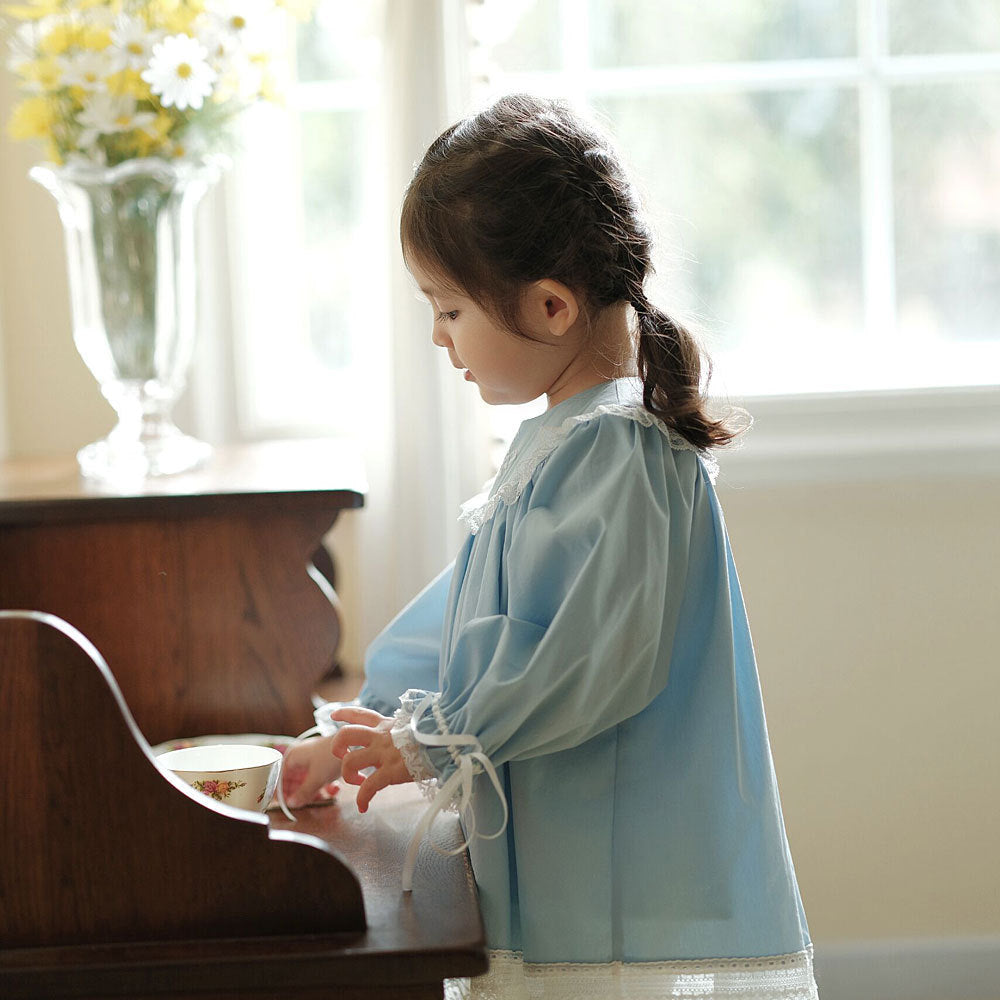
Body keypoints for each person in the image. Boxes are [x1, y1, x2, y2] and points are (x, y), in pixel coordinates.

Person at [282, 93, 818, 1000]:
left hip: (600, 877)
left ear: (551, 304)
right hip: (554, 855)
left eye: (450, 310)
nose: (439, 336)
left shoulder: (618, 450)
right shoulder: (566, 440)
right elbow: (471, 609)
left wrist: (431, 740)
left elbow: (588, 659)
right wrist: (367, 722)